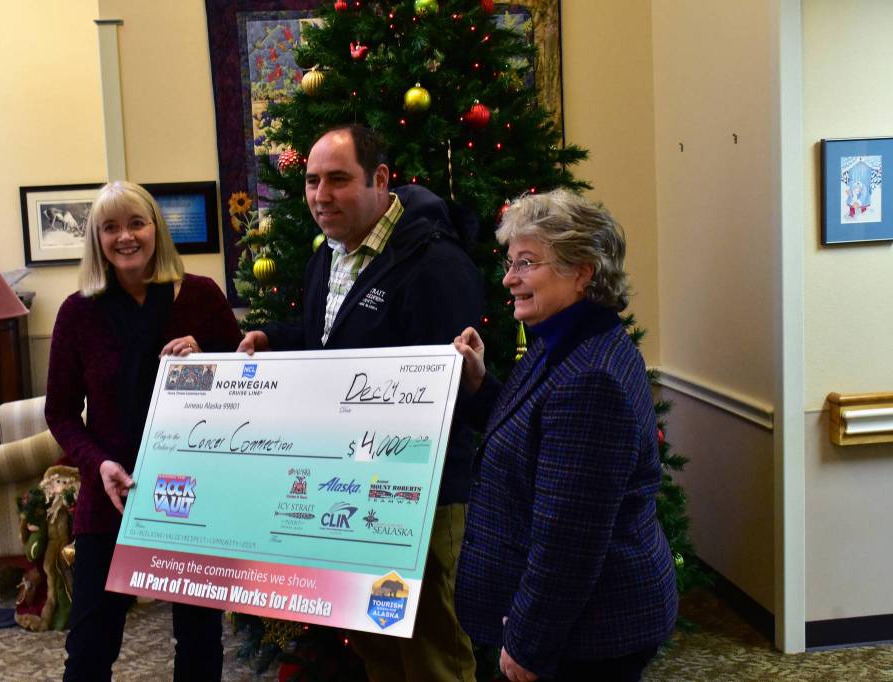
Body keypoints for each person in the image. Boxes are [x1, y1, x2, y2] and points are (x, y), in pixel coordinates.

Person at [239, 124, 482, 682]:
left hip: (421, 495)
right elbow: (329, 340)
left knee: (430, 650)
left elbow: (452, 389)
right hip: (352, 490)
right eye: (311, 181)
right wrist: (274, 338)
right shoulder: (329, 255)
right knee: (377, 642)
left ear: (380, 180)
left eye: (338, 180)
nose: (321, 196)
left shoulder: (436, 265)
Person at [453, 189, 678, 682]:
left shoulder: (589, 376)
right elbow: (532, 439)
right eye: (511, 263)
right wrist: (477, 383)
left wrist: (530, 643)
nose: (510, 279)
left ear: (583, 272)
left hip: (590, 634)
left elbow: (569, 540)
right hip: (580, 623)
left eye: (527, 263)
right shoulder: (564, 340)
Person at [45, 180, 242, 681]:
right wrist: (99, 465)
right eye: (110, 227)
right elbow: (61, 414)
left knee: (199, 640)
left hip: (192, 492)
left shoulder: (200, 296)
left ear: (156, 228)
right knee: (91, 643)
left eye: (136, 222)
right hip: (112, 492)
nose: (125, 237)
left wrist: (209, 363)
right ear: (96, 238)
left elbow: (248, 388)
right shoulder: (77, 312)